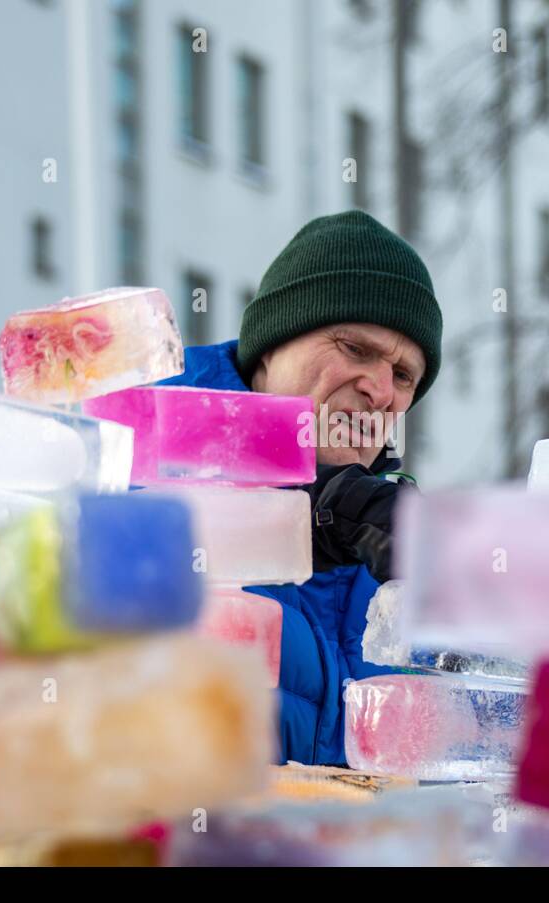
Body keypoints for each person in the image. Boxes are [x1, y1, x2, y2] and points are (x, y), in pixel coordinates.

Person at [156, 209, 443, 764]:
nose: (381, 390)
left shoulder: (382, 546)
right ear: (270, 344)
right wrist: (295, 522)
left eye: (404, 375)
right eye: (355, 348)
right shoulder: (139, 455)